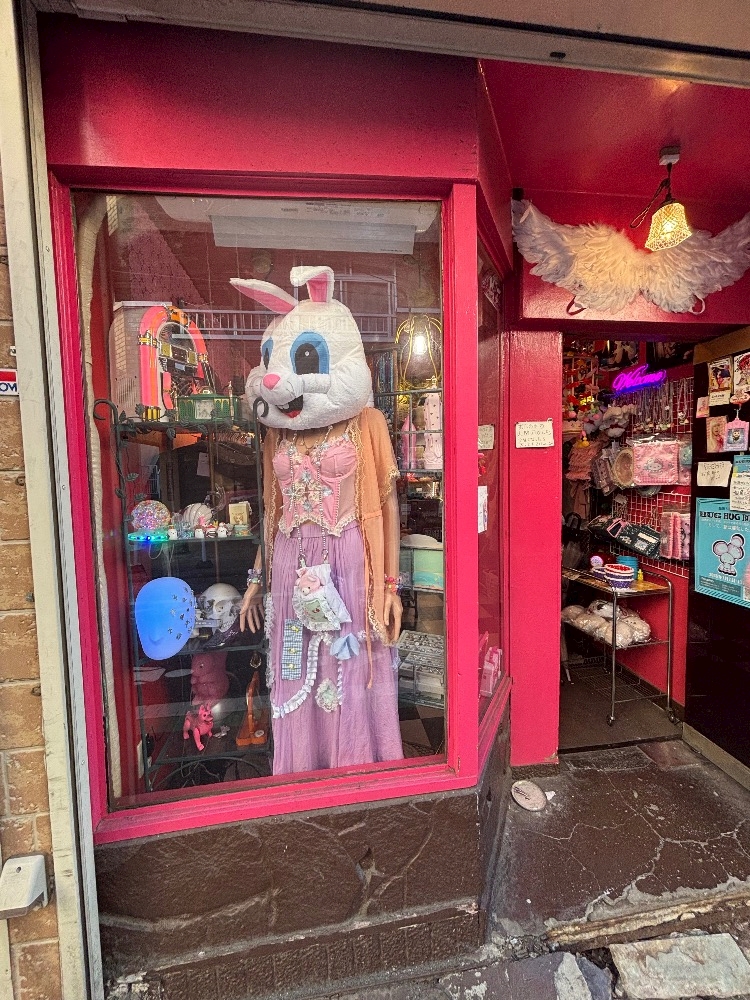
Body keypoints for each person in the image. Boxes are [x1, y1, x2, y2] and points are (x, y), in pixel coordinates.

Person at [236, 266, 404, 775]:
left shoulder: (367, 423)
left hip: (349, 566)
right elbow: (273, 513)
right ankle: (302, 770)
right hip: (289, 566)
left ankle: (353, 768)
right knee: (294, 662)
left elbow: (388, 506)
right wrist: (256, 580)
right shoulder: (276, 434)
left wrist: (391, 586)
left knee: (347, 664)